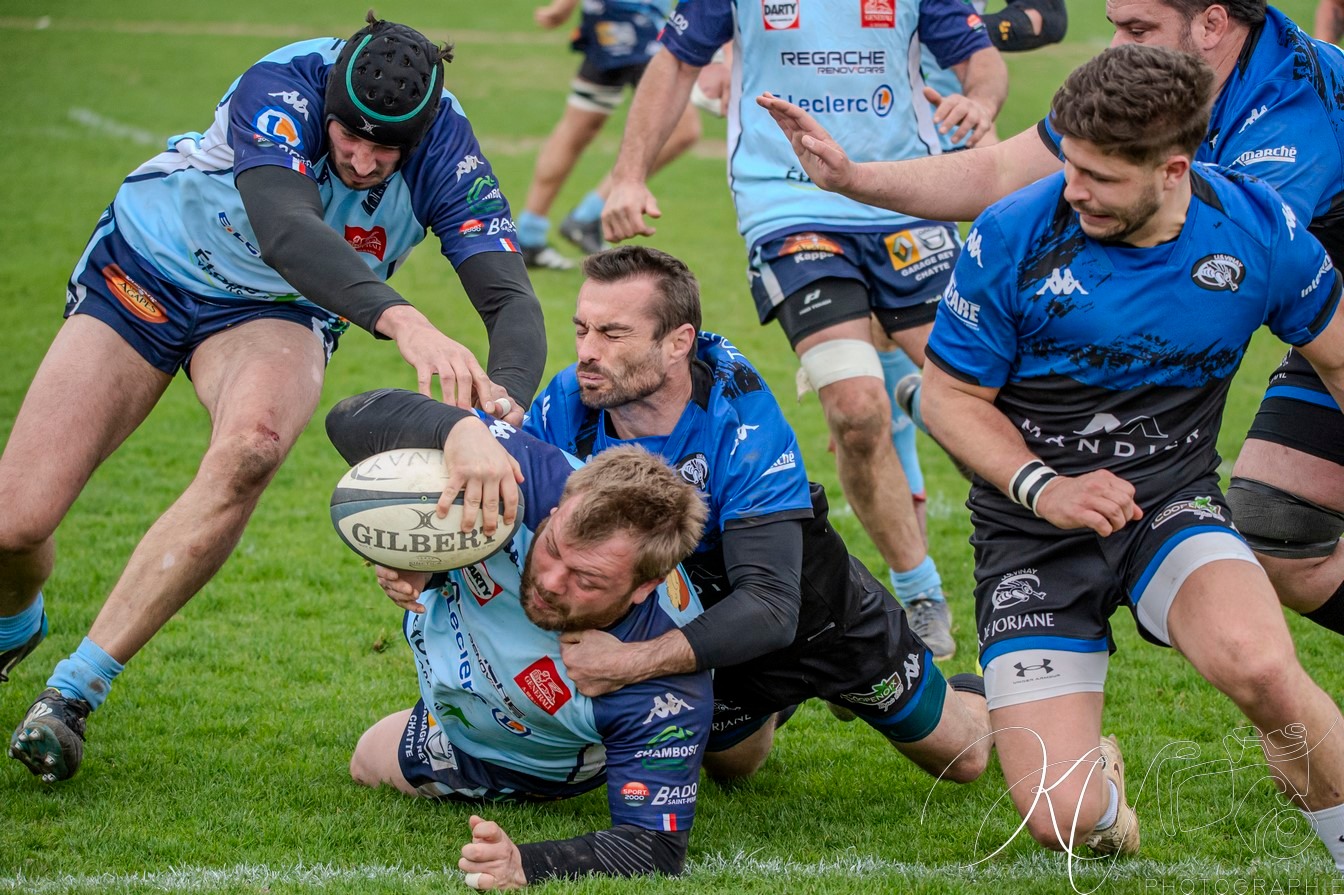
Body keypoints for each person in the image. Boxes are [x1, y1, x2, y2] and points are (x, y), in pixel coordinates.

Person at [4, 12, 547, 783]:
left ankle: (73, 692)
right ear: (328, 104)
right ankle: (15, 622)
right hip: (148, 265)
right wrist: (406, 321)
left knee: (253, 447)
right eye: (347, 136)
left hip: (278, 309)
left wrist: (505, 413)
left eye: (385, 149)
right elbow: (286, 229)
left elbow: (511, 300)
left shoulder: (446, 147)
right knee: (15, 525)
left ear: (419, 136)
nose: (362, 160)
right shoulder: (283, 85)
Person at [762, 0, 1344, 640]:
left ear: (1211, 23)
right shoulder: (1147, 92)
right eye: (1115, 23)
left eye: (1139, 29)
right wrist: (853, 178)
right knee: (1280, 532)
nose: (1117, 45)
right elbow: (1001, 171)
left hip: (1329, 315)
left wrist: (1006, 358)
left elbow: (1211, 277)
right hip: (1329, 311)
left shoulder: (1289, 113)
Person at [919, 45, 1344, 865]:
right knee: (1064, 818)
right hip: (1031, 532)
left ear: (1173, 169)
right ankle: (1102, 793)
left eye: (1099, 176)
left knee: (1261, 665)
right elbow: (948, 398)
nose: (1073, 189)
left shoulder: (1256, 229)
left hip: (1169, 504)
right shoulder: (1013, 233)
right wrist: (1047, 488)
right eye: (1069, 164)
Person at [601, 0, 1010, 661]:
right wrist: (629, 173)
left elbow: (979, 58)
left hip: (907, 197)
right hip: (790, 204)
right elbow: (675, 63)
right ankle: (920, 589)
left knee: (979, 395)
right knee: (855, 409)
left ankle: (949, 435)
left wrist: (980, 101)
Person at [516, 245, 993, 785]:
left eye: (612, 334)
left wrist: (629, 662)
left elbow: (770, 606)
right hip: (710, 621)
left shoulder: (740, 420)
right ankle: (776, 701)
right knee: (733, 770)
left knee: (964, 759)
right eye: (582, 329)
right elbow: (522, 516)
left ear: (678, 343)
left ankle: (970, 690)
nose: (586, 352)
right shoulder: (568, 402)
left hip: (813, 614)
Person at [324, 403, 713, 888]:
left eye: (586, 579)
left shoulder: (663, 684)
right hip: (467, 678)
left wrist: (527, 864)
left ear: (643, 587)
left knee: (737, 754)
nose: (550, 580)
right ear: (555, 509)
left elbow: (653, 845)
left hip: (527, 755)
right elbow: (349, 419)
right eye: (551, 547)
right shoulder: (524, 477)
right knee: (365, 760)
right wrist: (457, 431)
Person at [516, 0, 702, 270]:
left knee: (580, 124)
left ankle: (530, 235)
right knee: (682, 129)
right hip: (635, 16)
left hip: (616, 14)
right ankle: (588, 216)